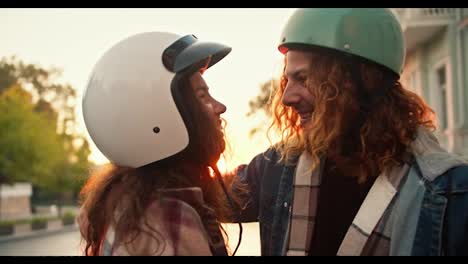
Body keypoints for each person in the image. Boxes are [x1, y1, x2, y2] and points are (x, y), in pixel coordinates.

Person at [233, 8, 468, 256]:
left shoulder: (451, 194)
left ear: (360, 80)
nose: (287, 98)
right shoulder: (278, 166)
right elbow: (208, 200)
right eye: (287, 80)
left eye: (303, 78)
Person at [78, 31, 243, 256]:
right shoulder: (168, 220)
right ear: (156, 113)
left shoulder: (131, 206)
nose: (220, 107)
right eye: (203, 97)